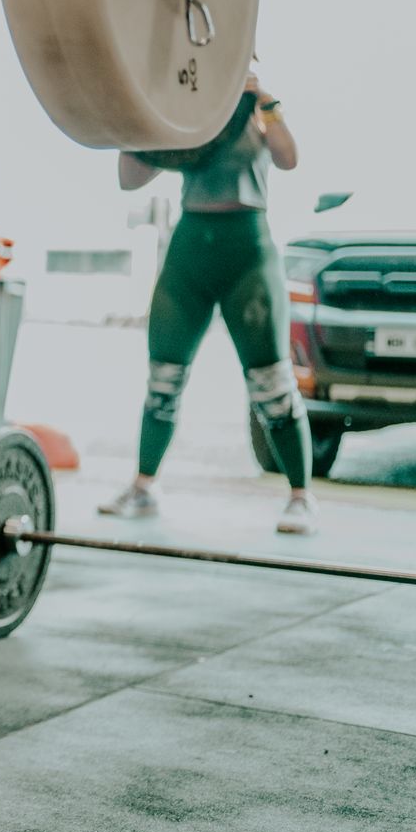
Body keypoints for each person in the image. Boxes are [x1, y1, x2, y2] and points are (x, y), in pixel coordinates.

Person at [102, 64, 319, 534]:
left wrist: (265, 98)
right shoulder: (187, 114)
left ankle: (301, 498)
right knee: (163, 379)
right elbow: (129, 176)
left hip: (247, 250)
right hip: (190, 248)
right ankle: (143, 487)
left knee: (272, 385)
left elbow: (288, 159)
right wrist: (133, 119)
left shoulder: (257, 110)